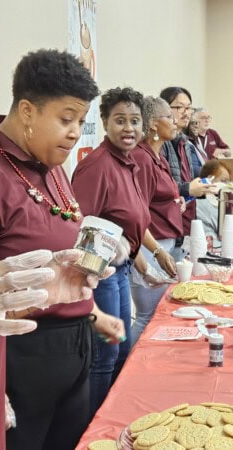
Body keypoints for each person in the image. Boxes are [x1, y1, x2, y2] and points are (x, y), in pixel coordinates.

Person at [0, 49, 125, 450]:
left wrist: (92, 312)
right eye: (65, 119)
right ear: (28, 111)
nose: (75, 133)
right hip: (15, 356)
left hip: (71, 349)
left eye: (80, 122)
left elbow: (60, 250)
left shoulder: (50, 166)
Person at [72, 87, 172, 414]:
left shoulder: (129, 163)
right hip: (99, 275)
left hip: (122, 269)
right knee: (106, 355)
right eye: (119, 121)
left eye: (134, 121)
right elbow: (79, 231)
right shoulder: (97, 166)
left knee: (122, 348)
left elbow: (129, 224)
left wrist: (144, 265)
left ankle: (117, 413)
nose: (128, 128)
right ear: (104, 122)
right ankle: (98, 425)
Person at [130, 95, 185, 344]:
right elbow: (136, 211)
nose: (175, 122)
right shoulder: (141, 158)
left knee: (158, 313)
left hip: (165, 243)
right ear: (152, 123)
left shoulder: (158, 154)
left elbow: (159, 196)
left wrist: (176, 201)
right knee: (147, 316)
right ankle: (125, 374)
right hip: (149, 247)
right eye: (169, 117)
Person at [160, 87, 214, 247]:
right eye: (179, 107)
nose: (186, 112)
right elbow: (159, 184)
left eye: (189, 107)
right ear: (164, 109)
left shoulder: (185, 142)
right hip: (164, 224)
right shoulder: (160, 143)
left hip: (185, 221)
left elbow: (187, 179)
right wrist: (189, 188)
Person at [196, 159, 231, 248]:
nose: (226, 185)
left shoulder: (219, 205)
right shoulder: (200, 205)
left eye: (228, 182)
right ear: (209, 180)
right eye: (223, 181)